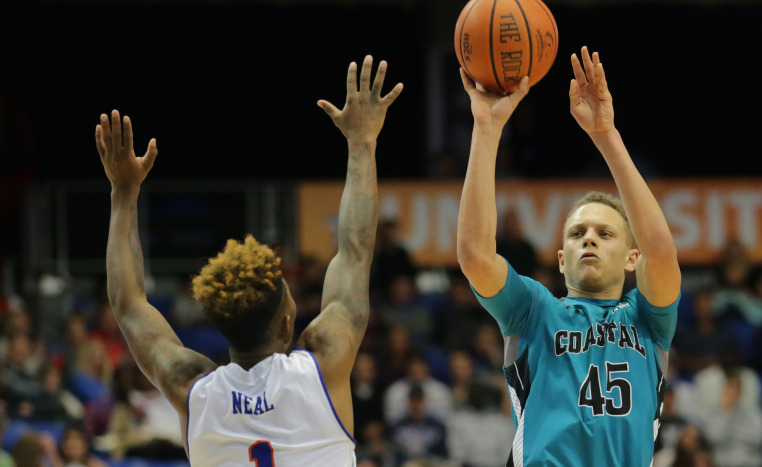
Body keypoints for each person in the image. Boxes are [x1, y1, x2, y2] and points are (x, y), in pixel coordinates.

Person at [95, 55, 402, 466]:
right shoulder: (323, 364)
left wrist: (123, 193)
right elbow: (355, 250)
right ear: (288, 322)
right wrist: (363, 143)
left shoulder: (193, 389)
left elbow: (129, 304)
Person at [456, 46, 681, 466]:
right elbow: (475, 256)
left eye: (604, 233)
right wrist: (486, 128)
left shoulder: (648, 320)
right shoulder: (535, 310)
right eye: (577, 233)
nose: (589, 239)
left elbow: (663, 253)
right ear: (562, 259)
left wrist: (605, 136)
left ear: (633, 258)